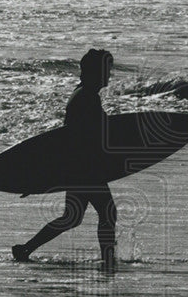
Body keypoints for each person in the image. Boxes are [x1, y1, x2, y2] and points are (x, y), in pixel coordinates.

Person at [12, 49, 117, 269]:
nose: (109, 74)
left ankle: (25, 248)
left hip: (80, 167)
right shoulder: (86, 97)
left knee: (72, 216)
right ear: (95, 71)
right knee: (107, 212)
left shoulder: (84, 94)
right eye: (106, 70)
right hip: (85, 168)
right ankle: (108, 262)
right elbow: (73, 139)